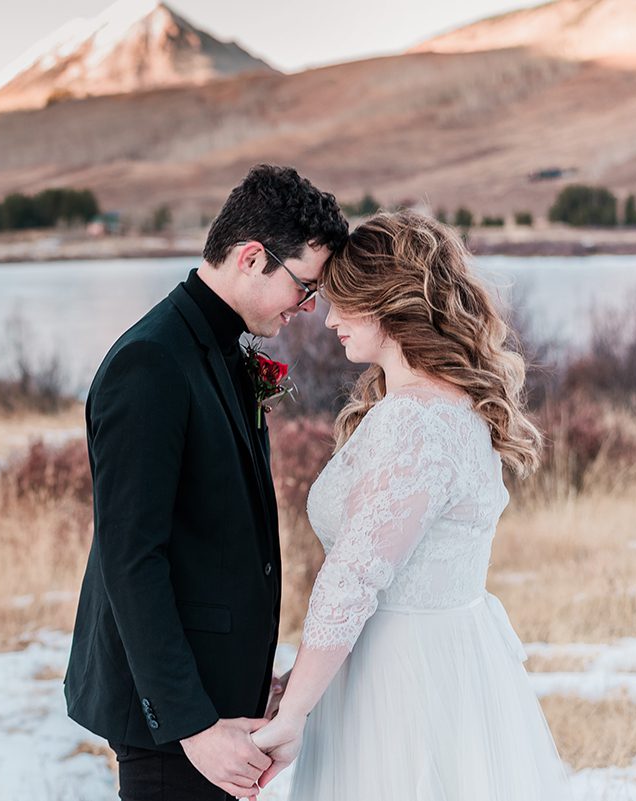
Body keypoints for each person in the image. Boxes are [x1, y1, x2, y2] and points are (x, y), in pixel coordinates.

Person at [250, 209, 573, 800]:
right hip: (438, 659)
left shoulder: (416, 421)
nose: (330, 319)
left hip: (402, 679)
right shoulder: (449, 407)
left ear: (387, 302)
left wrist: (294, 712)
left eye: (343, 300)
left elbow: (353, 577)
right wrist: (302, 681)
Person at [63, 164, 349, 800]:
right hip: (170, 722)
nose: (306, 310)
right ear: (252, 257)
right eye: (304, 286)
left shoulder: (217, 346)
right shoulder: (151, 363)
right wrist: (193, 726)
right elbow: (131, 558)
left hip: (217, 696)